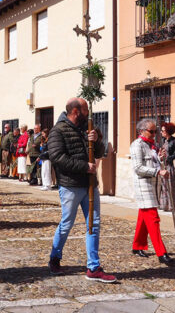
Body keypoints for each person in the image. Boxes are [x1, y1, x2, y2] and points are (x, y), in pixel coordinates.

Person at [47, 97, 116, 282]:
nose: (88, 114)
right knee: (67, 223)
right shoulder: (58, 131)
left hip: (90, 184)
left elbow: (99, 152)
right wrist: (84, 166)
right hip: (70, 185)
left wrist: (97, 140)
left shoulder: (88, 127)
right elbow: (57, 157)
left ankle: (93, 267)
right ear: (76, 111)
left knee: (93, 223)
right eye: (85, 110)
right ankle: (55, 257)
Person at [129, 118, 174, 264]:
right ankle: (161, 253)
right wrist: (157, 172)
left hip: (154, 185)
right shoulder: (137, 145)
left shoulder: (152, 145)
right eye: (152, 131)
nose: (155, 134)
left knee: (144, 216)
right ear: (141, 131)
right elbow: (138, 168)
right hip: (143, 185)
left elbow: (155, 162)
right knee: (153, 218)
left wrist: (160, 158)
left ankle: (137, 246)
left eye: (156, 131)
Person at [159, 122, 175, 211]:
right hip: (164, 166)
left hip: (171, 167)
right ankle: (165, 205)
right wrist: (161, 156)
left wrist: (169, 158)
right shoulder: (163, 141)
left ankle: (172, 206)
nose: (161, 132)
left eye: (163, 131)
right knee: (164, 187)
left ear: (168, 131)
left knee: (172, 186)